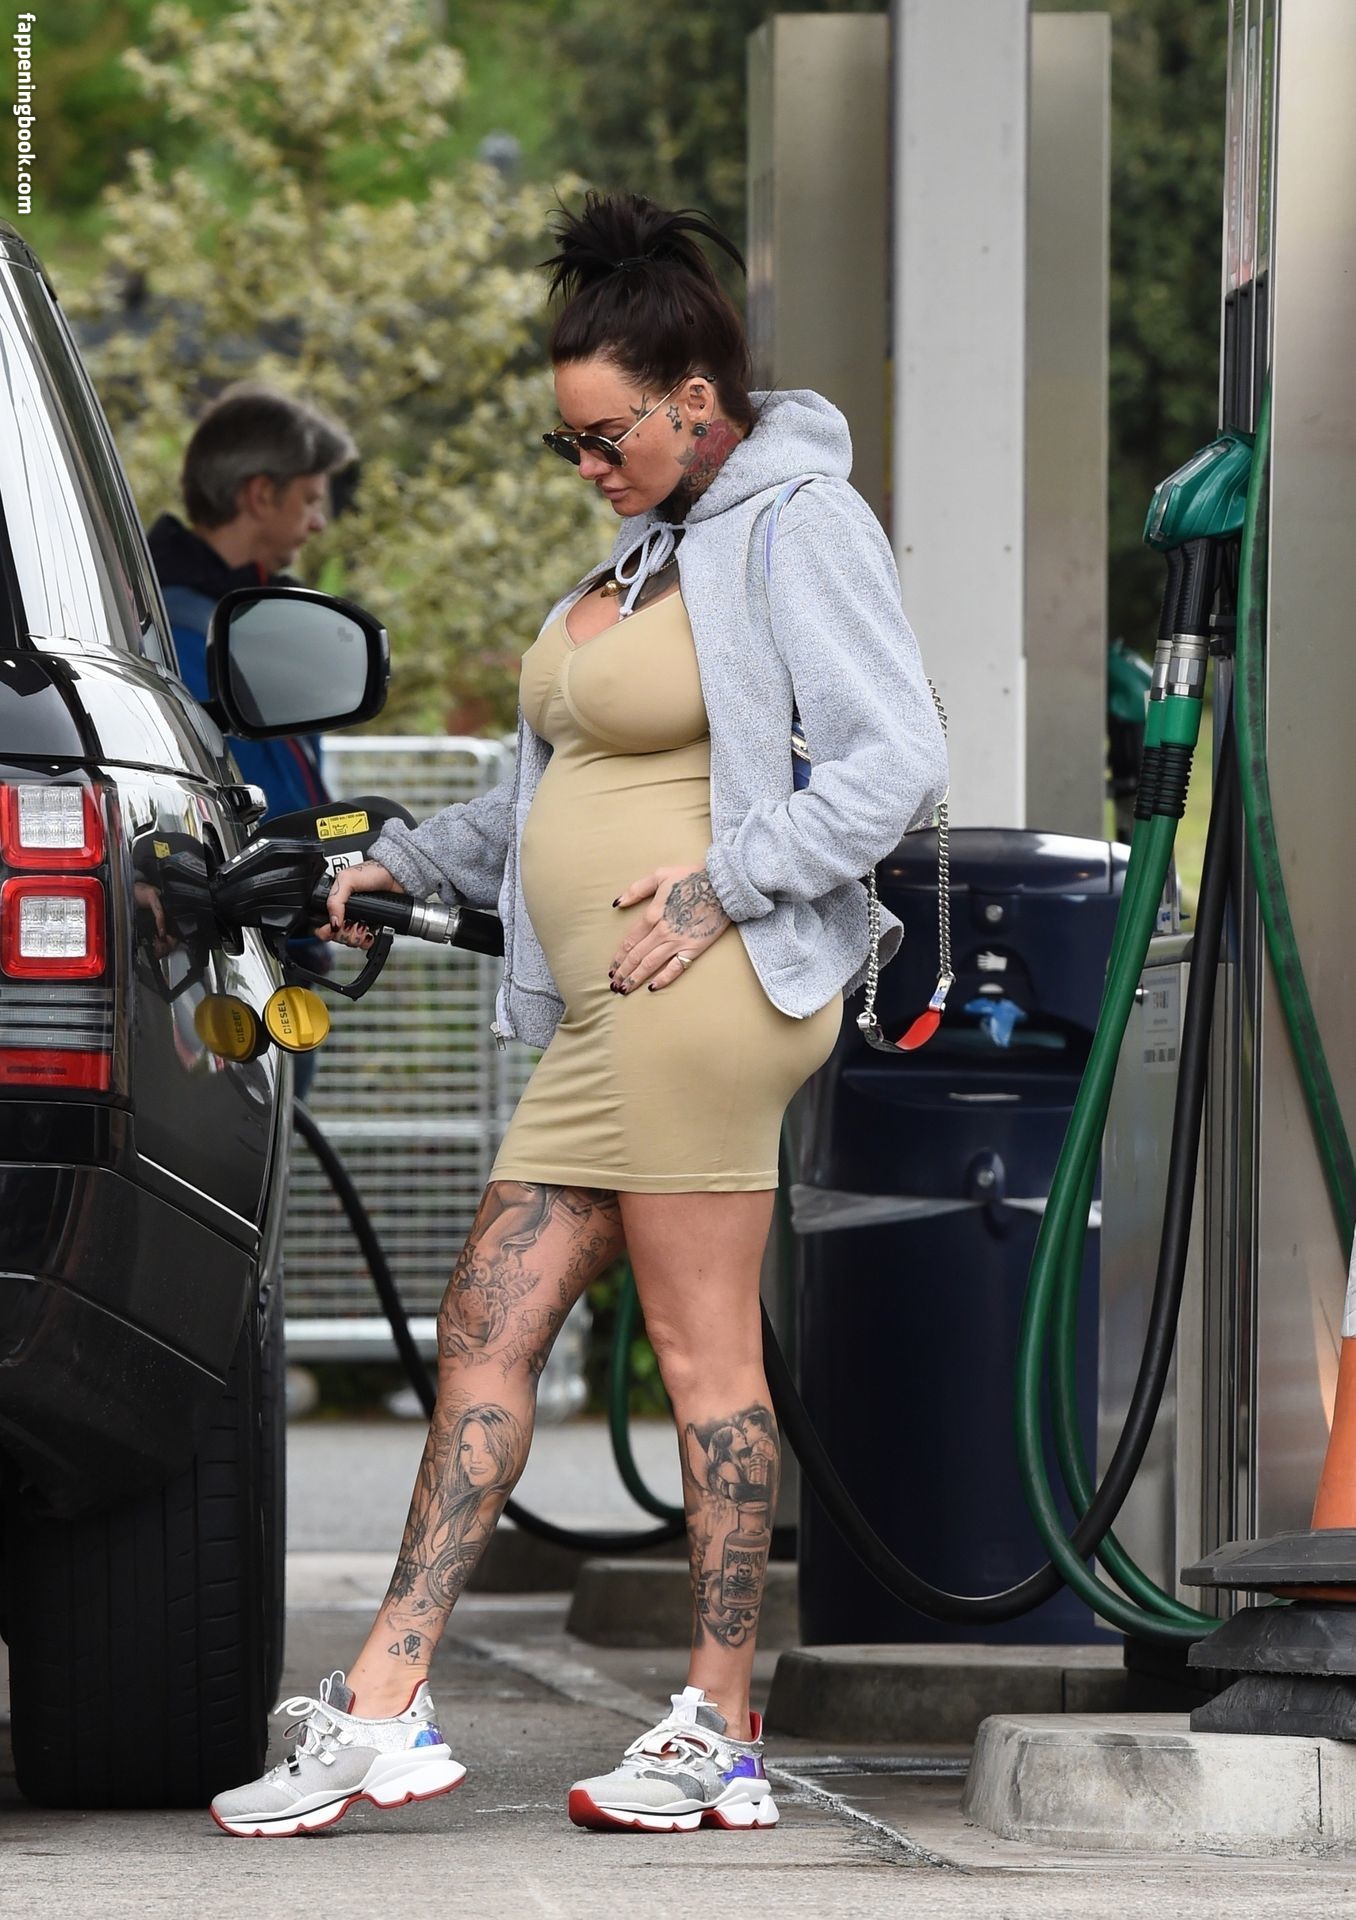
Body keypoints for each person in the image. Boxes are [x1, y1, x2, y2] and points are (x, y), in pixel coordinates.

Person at [209, 191, 948, 1841]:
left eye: (608, 437)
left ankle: (722, 1730)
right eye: (571, 444)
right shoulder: (647, 547)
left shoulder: (796, 524)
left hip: (704, 999)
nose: (589, 466)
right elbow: (541, 796)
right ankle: (386, 1707)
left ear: (695, 400)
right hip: (606, 1021)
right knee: (486, 1326)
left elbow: (898, 761)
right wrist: (392, 866)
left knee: (700, 1353)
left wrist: (725, 886)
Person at [147, 382, 359, 1093]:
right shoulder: (170, 629)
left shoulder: (259, 618)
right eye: (310, 499)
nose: (319, 523)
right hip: (223, 970)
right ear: (260, 494)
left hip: (283, 952)